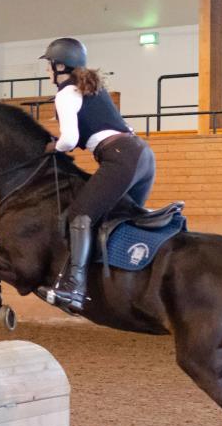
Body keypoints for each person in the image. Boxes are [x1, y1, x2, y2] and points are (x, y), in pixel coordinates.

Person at [36, 37, 156, 313]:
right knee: (121, 219)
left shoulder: (67, 93)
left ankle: (73, 288)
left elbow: (69, 139)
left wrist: (52, 146)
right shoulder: (93, 88)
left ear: (60, 65)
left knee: (80, 214)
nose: (47, 72)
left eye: (49, 66)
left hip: (120, 157)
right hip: (142, 156)